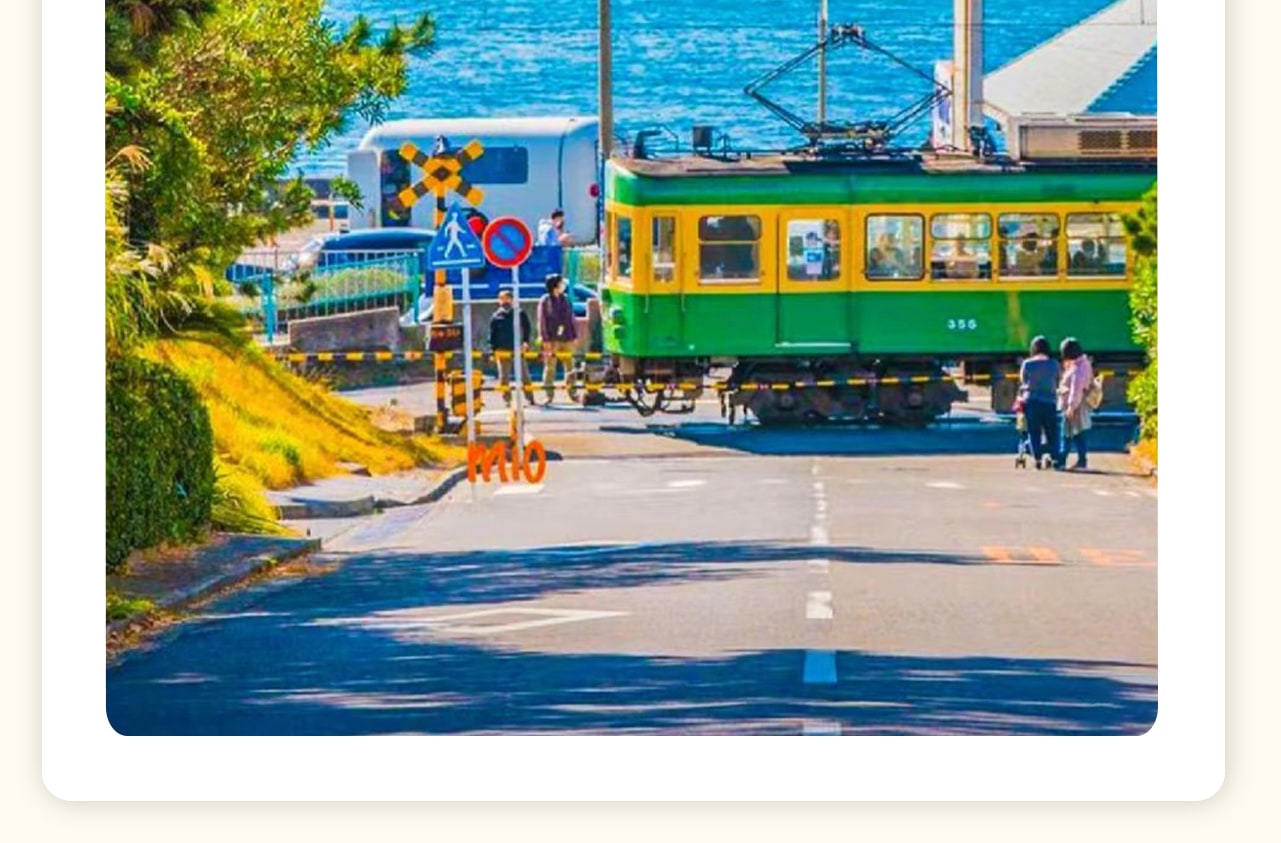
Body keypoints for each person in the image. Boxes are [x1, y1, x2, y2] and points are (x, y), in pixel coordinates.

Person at [1018, 335, 1061, 469]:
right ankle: (1054, 458)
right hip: (1050, 402)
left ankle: (1037, 459)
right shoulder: (1054, 363)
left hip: (1032, 402)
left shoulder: (1027, 364)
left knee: (1033, 431)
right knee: (1051, 432)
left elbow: (1023, 381)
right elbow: (1058, 380)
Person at [487, 289, 534, 407]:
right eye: (501, 299)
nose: (504, 302)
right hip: (502, 349)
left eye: (506, 299)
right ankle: (507, 399)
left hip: (517, 347)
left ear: (512, 300)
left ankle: (530, 397)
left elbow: (527, 328)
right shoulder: (496, 316)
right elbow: (492, 335)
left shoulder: (519, 313)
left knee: (524, 374)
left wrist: (525, 342)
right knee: (504, 376)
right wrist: (493, 350)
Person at [537, 273, 578, 402]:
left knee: (570, 367)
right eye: (561, 283)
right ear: (555, 286)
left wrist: (574, 335)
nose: (563, 285)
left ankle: (573, 393)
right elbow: (542, 320)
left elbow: (571, 318)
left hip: (567, 337)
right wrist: (545, 339)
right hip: (552, 339)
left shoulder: (565, 299)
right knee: (550, 368)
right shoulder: (545, 301)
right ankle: (549, 395)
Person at [1057, 337, 1094, 470]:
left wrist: (1071, 407)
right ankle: (1082, 461)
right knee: (1079, 433)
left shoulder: (1079, 368)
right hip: (1078, 404)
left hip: (1074, 406)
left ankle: (1061, 461)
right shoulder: (1082, 364)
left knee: (1066, 434)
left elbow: (1076, 388)